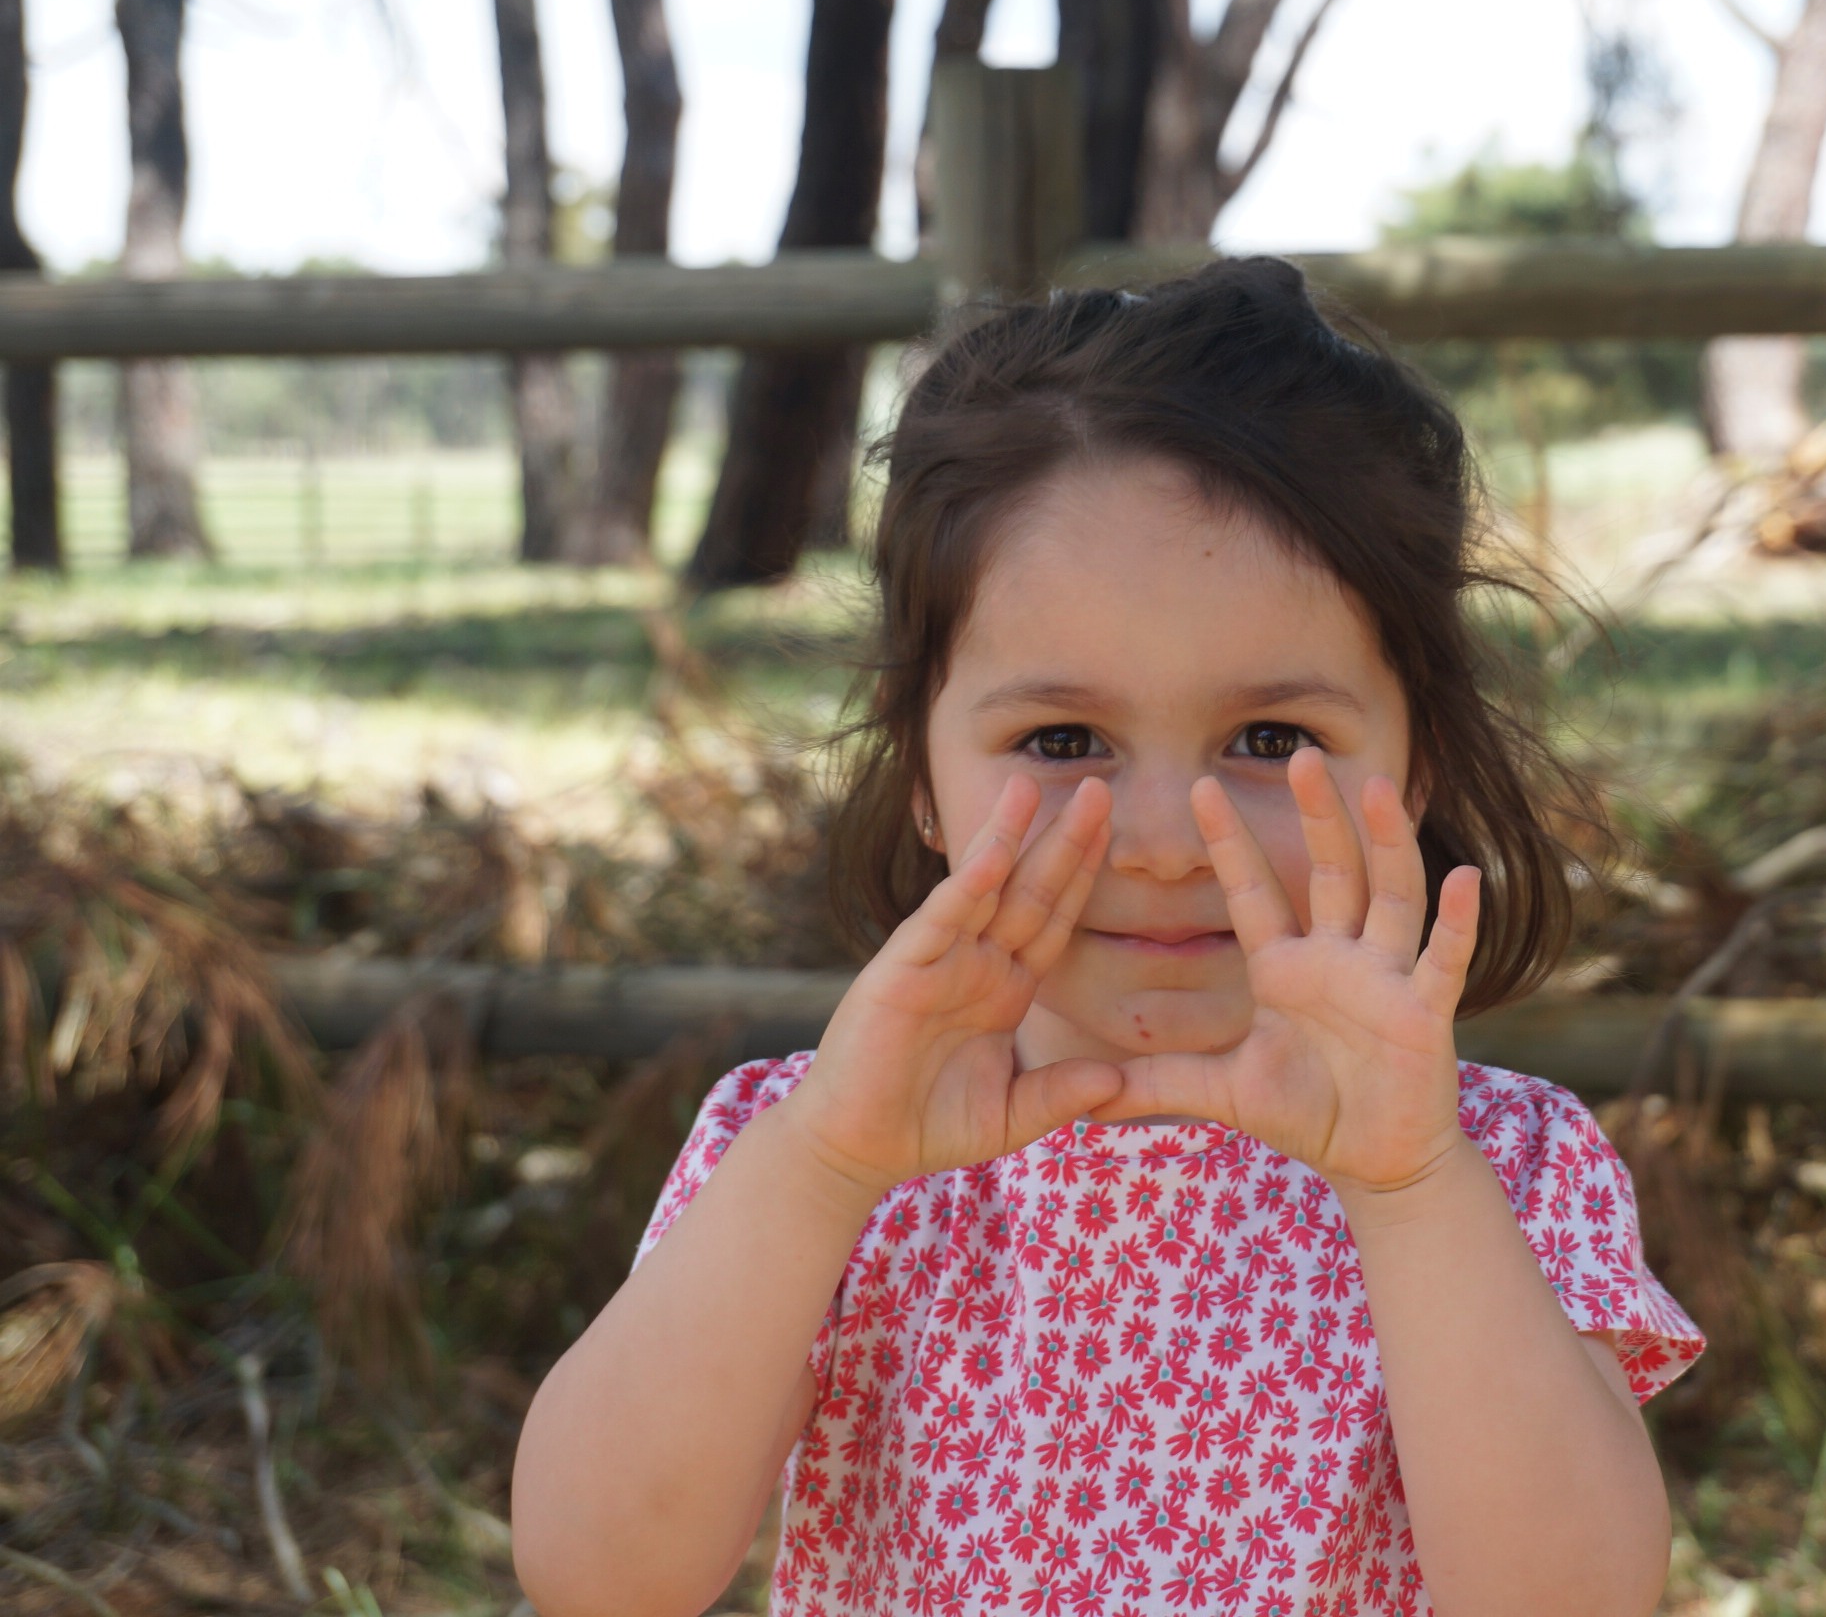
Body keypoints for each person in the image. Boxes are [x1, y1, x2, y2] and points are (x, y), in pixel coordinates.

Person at [510, 258, 1704, 1617]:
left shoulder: (1494, 1164)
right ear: (921, 777)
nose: (1162, 834)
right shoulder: (809, 1147)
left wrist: (1410, 1190)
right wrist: (826, 1163)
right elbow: (597, 1576)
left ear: (1414, 770)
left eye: (1270, 740)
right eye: (1063, 740)